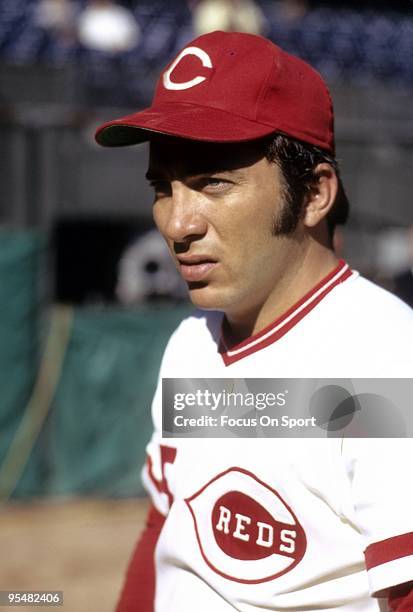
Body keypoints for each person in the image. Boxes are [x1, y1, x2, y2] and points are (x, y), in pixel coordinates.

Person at [95, 31, 413, 612]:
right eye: (163, 188)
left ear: (315, 194)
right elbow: (168, 534)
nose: (176, 223)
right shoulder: (192, 340)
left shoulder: (386, 363)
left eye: (213, 182)